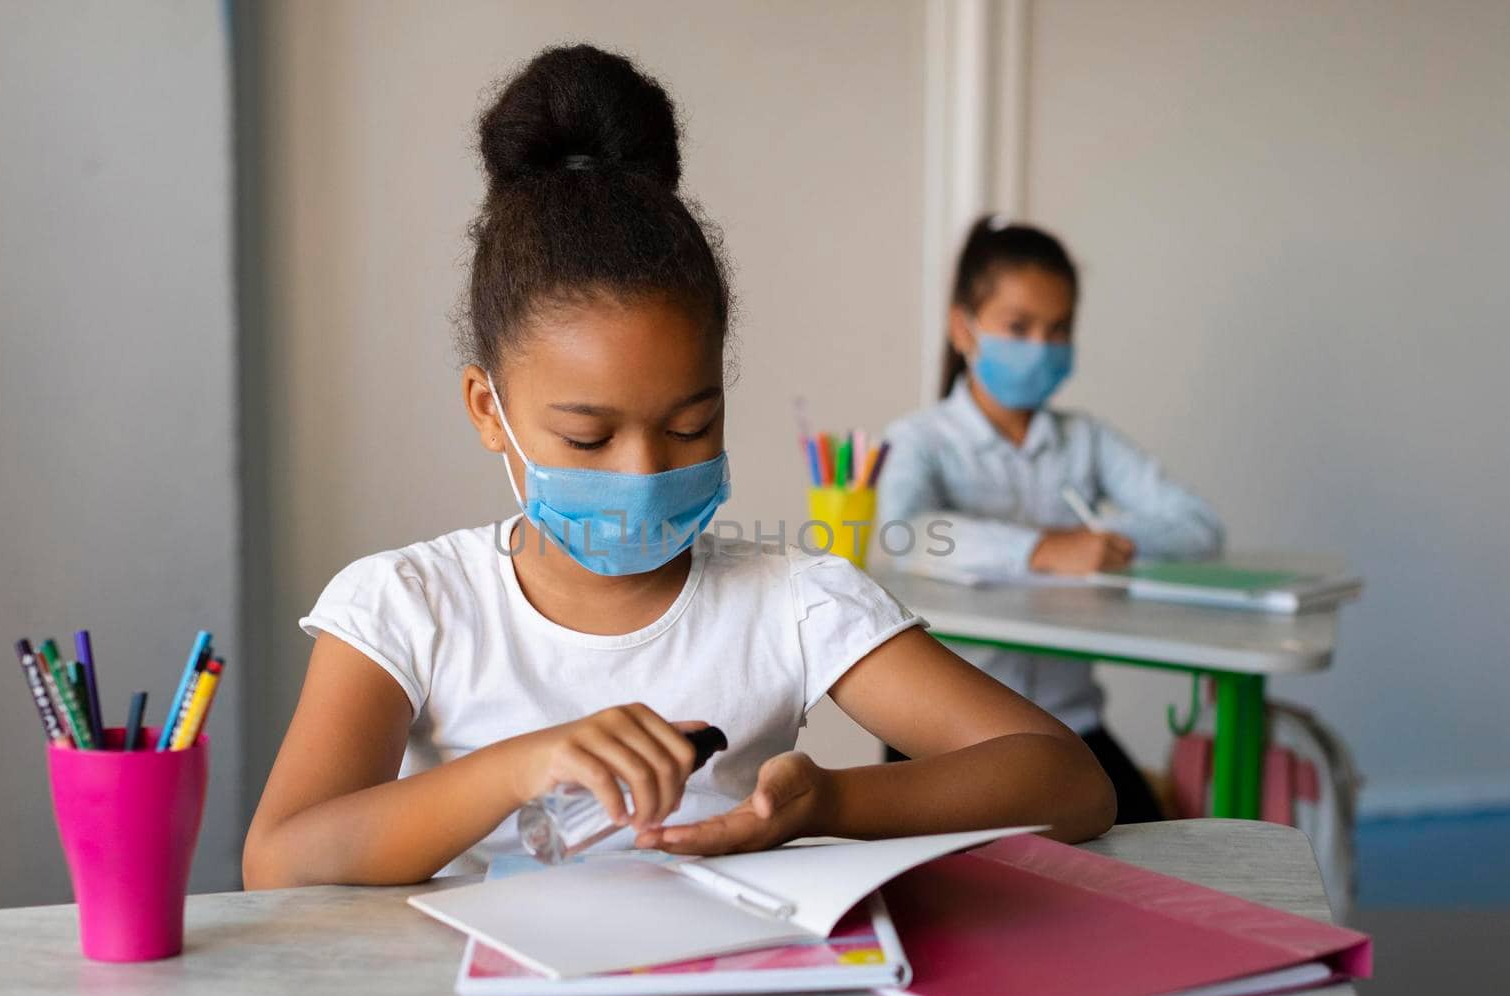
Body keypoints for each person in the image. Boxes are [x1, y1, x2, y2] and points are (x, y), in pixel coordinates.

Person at [242, 48, 1113, 889]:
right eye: (588, 439)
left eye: (693, 425)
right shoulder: (409, 605)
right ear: (487, 410)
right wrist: (522, 765)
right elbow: (279, 859)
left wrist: (832, 800)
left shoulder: (793, 602)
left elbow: (1068, 781)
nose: (645, 470)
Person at [876, 217, 1224, 823]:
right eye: (1018, 327)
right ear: (964, 329)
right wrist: (1039, 550)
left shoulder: (1084, 440)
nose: (1040, 346)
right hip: (942, 731)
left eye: (1058, 329)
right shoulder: (920, 441)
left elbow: (1197, 525)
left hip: (1070, 725)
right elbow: (904, 534)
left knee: (1164, 863)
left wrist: (1105, 545)